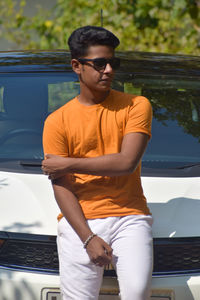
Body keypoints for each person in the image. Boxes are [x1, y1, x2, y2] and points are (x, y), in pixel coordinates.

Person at [42, 25, 153, 300]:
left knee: (137, 292)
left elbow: (126, 162)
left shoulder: (136, 105)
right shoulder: (57, 121)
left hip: (130, 215)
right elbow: (62, 186)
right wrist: (88, 238)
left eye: (112, 62)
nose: (108, 70)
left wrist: (68, 164)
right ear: (77, 66)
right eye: (100, 63)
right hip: (80, 218)